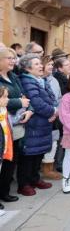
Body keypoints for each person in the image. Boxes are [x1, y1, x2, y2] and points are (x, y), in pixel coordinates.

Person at [18, 54, 57, 196]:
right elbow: (35, 102)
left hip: (44, 122)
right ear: (27, 68)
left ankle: (35, 179)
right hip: (34, 124)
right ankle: (24, 184)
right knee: (29, 155)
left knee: (39, 153)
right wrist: (52, 111)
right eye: (36, 64)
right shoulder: (27, 81)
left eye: (40, 63)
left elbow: (51, 98)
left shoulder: (41, 80)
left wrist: (54, 110)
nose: (41, 66)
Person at [0, 48, 31, 203]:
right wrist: (19, 102)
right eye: (9, 58)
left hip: (17, 126)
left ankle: (4, 192)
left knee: (11, 161)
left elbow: (26, 97)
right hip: (3, 126)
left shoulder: (14, 76)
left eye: (13, 58)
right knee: (2, 160)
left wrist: (29, 111)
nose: (13, 61)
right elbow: (9, 101)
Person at [40, 56, 62, 180]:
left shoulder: (54, 80)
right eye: (49, 64)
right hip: (44, 116)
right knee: (42, 143)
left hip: (55, 116)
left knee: (54, 142)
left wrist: (57, 112)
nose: (51, 67)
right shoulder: (39, 80)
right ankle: (41, 168)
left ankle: (49, 167)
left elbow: (58, 98)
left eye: (52, 64)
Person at [0, 86, 13, 211]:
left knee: (5, 172)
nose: (7, 99)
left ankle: (4, 194)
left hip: (5, 146)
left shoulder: (4, 109)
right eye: (4, 97)